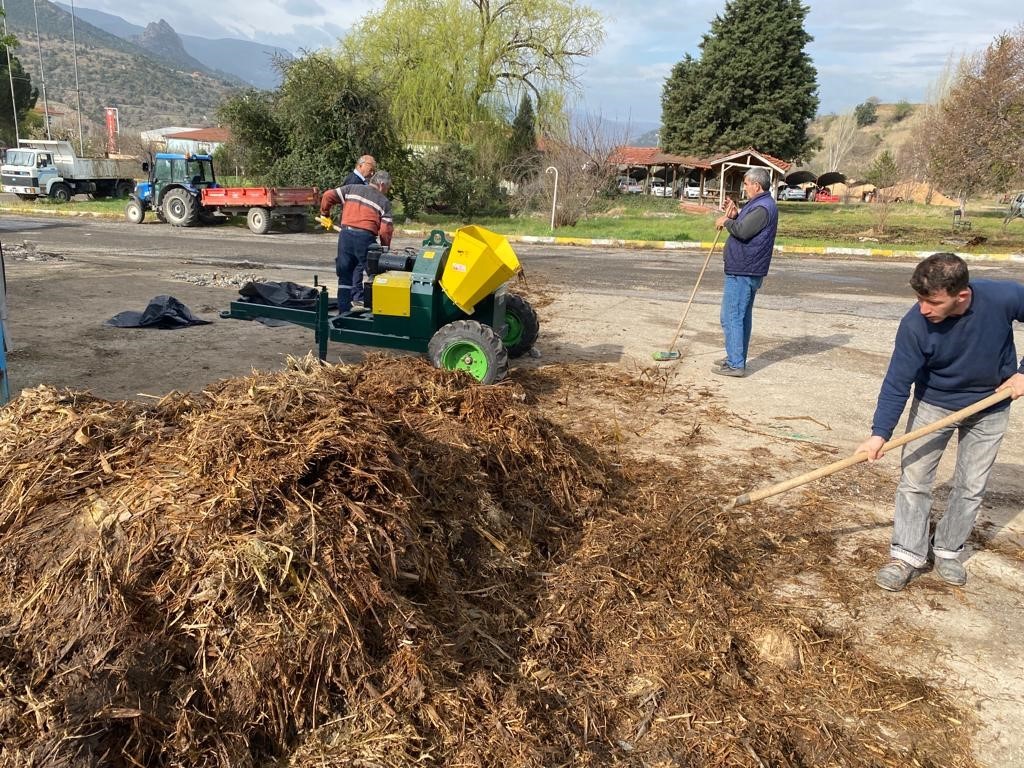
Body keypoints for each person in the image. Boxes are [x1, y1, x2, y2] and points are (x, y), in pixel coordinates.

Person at [856, 253, 1024, 592]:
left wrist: (1022, 374)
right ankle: (906, 554)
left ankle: (948, 549)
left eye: (932, 301)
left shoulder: (1003, 297)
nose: (923, 308)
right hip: (934, 404)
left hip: (991, 406)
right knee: (915, 480)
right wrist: (879, 434)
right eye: (918, 298)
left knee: (971, 485)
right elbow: (897, 382)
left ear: (961, 296)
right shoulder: (915, 325)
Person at [711, 166, 779, 377]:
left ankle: (735, 363)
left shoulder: (763, 207)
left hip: (744, 269)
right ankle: (735, 355)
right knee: (740, 316)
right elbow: (746, 221)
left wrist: (727, 221)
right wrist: (736, 212)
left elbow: (743, 230)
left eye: (747, 184)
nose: (745, 187)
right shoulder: (758, 204)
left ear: (756, 185)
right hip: (745, 267)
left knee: (731, 316)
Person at [319, 170, 393, 313]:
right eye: (387, 188)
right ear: (382, 184)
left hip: (345, 235)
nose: (386, 192)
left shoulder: (352, 188)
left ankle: (343, 312)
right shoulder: (383, 201)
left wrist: (324, 214)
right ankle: (377, 311)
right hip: (365, 238)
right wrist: (384, 249)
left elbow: (328, 195)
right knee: (376, 275)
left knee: (345, 275)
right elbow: (385, 230)